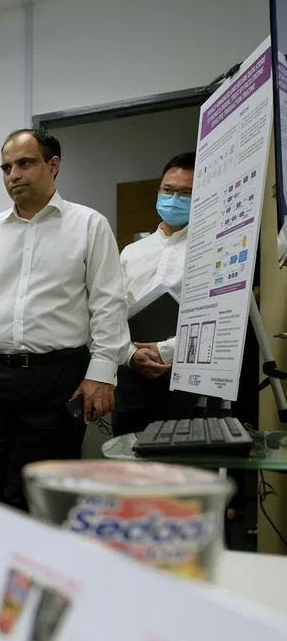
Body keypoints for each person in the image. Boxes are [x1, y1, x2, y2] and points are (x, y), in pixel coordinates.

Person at [0, 129, 139, 508]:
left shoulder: (89, 225)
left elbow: (108, 303)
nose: (13, 175)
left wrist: (102, 374)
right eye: (6, 168)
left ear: (53, 165)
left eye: (25, 163)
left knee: (46, 493)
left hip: (57, 379)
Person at [113, 152, 199, 435]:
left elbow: (217, 316)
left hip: (184, 377)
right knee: (127, 455)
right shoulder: (131, 253)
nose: (174, 199)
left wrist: (164, 351)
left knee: (180, 457)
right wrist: (131, 354)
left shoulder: (209, 248)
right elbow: (113, 314)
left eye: (185, 193)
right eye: (168, 190)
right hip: (131, 377)